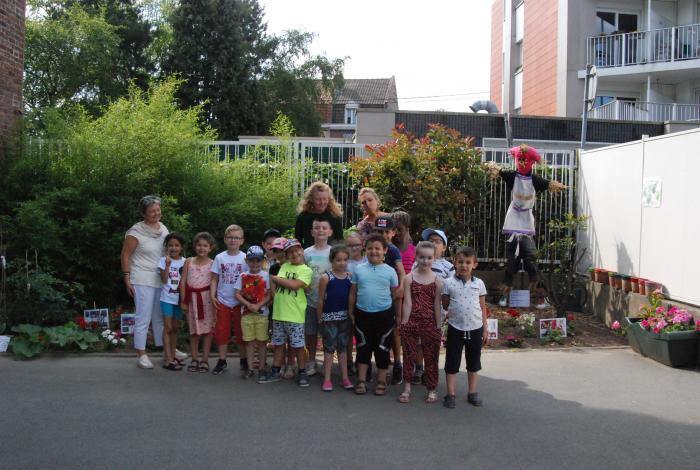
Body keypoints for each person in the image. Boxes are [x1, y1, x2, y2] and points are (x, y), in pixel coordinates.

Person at [485, 145, 567, 309]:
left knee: (531, 260)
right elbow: (497, 170)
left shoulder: (536, 180)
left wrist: (557, 185)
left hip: (527, 222)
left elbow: (549, 184)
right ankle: (504, 295)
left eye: (525, 160)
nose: (522, 163)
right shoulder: (512, 176)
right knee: (511, 262)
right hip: (513, 221)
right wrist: (492, 167)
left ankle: (540, 297)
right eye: (519, 160)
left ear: (531, 162)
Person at [121, 195, 176, 369]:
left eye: (158, 210)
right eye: (152, 211)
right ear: (143, 213)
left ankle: (166, 350)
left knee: (159, 316)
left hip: (161, 278)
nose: (156, 213)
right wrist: (127, 277)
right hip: (141, 278)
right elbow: (125, 255)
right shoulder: (135, 232)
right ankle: (141, 354)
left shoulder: (163, 228)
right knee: (143, 318)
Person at [349, 234, 399, 396]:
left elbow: (395, 295)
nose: (374, 252)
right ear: (365, 250)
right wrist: (350, 311)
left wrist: (397, 316)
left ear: (385, 250)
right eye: (370, 248)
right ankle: (362, 380)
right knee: (363, 348)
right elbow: (353, 293)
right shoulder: (359, 269)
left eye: (378, 248)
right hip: (362, 315)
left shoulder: (390, 271)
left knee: (382, 349)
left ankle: (381, 380)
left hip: (384, 316)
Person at [258, 239, 313, 387]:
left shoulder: (306, 270)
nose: (294, 254)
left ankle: (302, 371)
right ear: (287, 255)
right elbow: (278, 286)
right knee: (279, 344)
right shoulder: (285, 266)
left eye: (296, 250)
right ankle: (276, 371)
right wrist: (278, 279)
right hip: (279, 313)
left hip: (294, 315)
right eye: (290, 252)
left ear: (301, 250)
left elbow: (295, 285)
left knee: (298, 346)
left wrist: (275, 278)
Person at [441, 246, 489, 409]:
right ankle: (450, 394)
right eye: (460, 262)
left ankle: (472, 392)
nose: (464, 265)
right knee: (452, 361)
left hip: (475, 328)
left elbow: (482, 307)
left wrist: (485, 328)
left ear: (474, 264)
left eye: (468, 262)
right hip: (455, 327)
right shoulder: (448, 283)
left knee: (473, 362)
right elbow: (445, 305)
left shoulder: (479, 284)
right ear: (454, 263)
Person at [398, 241, 443, 404]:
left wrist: (439, 326)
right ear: (416, 256)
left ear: (434, 258)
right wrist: (404, 323)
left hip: (430, 323)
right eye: (422, 257)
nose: (425, 261)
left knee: (431, 357)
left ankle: (432, 388)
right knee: (409, 355)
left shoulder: (438, 281)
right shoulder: (408, 278)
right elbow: (407, 302)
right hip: (412, 322)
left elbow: (437, 304)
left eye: (429, 258)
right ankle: (407, 388)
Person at [411, 227, 454, 385]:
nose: (434, 244)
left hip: (438, 311)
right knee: (418, 341)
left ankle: (431, 369)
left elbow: (451, 289)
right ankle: (419, 367)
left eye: (438, 242)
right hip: (418, 309)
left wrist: (449, 310)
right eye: (430, 241)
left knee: (432, 341)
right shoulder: (417, 263)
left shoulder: (448, 267)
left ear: (444, 247)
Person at [210, 224, 248, 377]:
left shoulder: (245, 258)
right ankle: (222, 360)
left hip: (240, 301)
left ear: (242, 240)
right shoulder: (220, 257)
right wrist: (213, 295)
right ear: (225, 239)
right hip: (223, 300)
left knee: (241, 332)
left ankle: (244, 359)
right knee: (222, 332)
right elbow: (214, 278)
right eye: (230, 237)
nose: (233, 240)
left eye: (236, 238)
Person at [373, 215, 406, 386]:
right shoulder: (372, 247)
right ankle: (381, 365)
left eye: (386, 231)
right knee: (378, 331)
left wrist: (401, 287)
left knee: (395, 329)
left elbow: (401, 271)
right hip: (377, 295)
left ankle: (398, 363)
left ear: (393, 233)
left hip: (392, 295)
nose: (383, 235)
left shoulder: (392, 250)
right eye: (379, 231)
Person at [316, 245, 354, 392]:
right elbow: (320, 299)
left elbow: (352, 297)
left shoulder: (350, 277)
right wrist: (320, 317)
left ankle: (345, 377)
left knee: (343, 348)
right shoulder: (326, 277)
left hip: (345, 318)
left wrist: (351, 314)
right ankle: (327, 378)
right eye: (338, 260)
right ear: (332, 260)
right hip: (329, 318)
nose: (342, 263)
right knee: (329, 348)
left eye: (345, 259)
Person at [180, 232, 217, 373]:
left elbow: (214, 282)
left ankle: (205, 359)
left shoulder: (213, 264)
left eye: (205, 246)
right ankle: (194, 358)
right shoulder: (188, 261)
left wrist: (214, 299)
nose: (202, 248)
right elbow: (183, 282)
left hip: (207, 300)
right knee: (194, 331)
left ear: (211, 248)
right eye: (199, 245)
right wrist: (184, 301)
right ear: (195, 246)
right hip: (192, 300)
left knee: (207, 331)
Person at [234, 246, 271, 381]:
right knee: (249, 342)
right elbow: (237, 293)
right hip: (247, 314)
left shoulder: (266, 275)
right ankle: (250, 368)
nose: (255, 263)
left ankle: (261, 368)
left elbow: (269, 295)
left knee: (262, 342)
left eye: (258, 260)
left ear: (263, 261)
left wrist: (258, 305)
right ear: (247, 261)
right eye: (251, 260)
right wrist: (248, 304)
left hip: (262, 314)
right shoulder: (242, 276)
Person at [303, 218, 333, 376]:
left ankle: (328, 364)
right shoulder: (306, 253)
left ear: (330, 232)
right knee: (310, 333)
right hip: (310, 300)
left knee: (328, 334)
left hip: (329, 302)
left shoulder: (332, 252)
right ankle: (311, 361)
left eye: (324, 227)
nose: (320, 230)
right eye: (317, 228)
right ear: (312, 232)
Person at [268, 237, 297, 380]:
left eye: (281, 250)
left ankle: (290, 365)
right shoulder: (274, 267)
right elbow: (272, 289)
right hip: (279, 308)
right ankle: (279, 365)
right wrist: (277, 301)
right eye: (275, 250)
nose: (279, 253)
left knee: (292, 340)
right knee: (279, 340)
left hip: (293, 308)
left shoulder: (295, 266)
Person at [157, 232, 187, 371]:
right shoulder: (163, 260)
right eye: (170, 245)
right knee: (168, 328)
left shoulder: (186, 262)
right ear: (166, 247)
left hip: (179, 300)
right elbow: (163, 280)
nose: (174, 248)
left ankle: (172, 355)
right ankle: (168, 360)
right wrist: (168, 265)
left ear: (181, 247)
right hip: (167, 299)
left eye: (177, 245)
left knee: (175, 329)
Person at [294, 181, 343, 248]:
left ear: (329, 199)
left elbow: (340, 240)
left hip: (330, 255)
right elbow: (297, 240)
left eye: (325, 199)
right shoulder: (303, 217)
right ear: (311, 199)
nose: (322, 202)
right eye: (318, 199)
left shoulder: (334, 215)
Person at [391, 210, 415, 275]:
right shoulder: (386, 249)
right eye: (393, 229)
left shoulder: (414, 251)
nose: (396, 233)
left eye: (399, 229)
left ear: (407, 229)